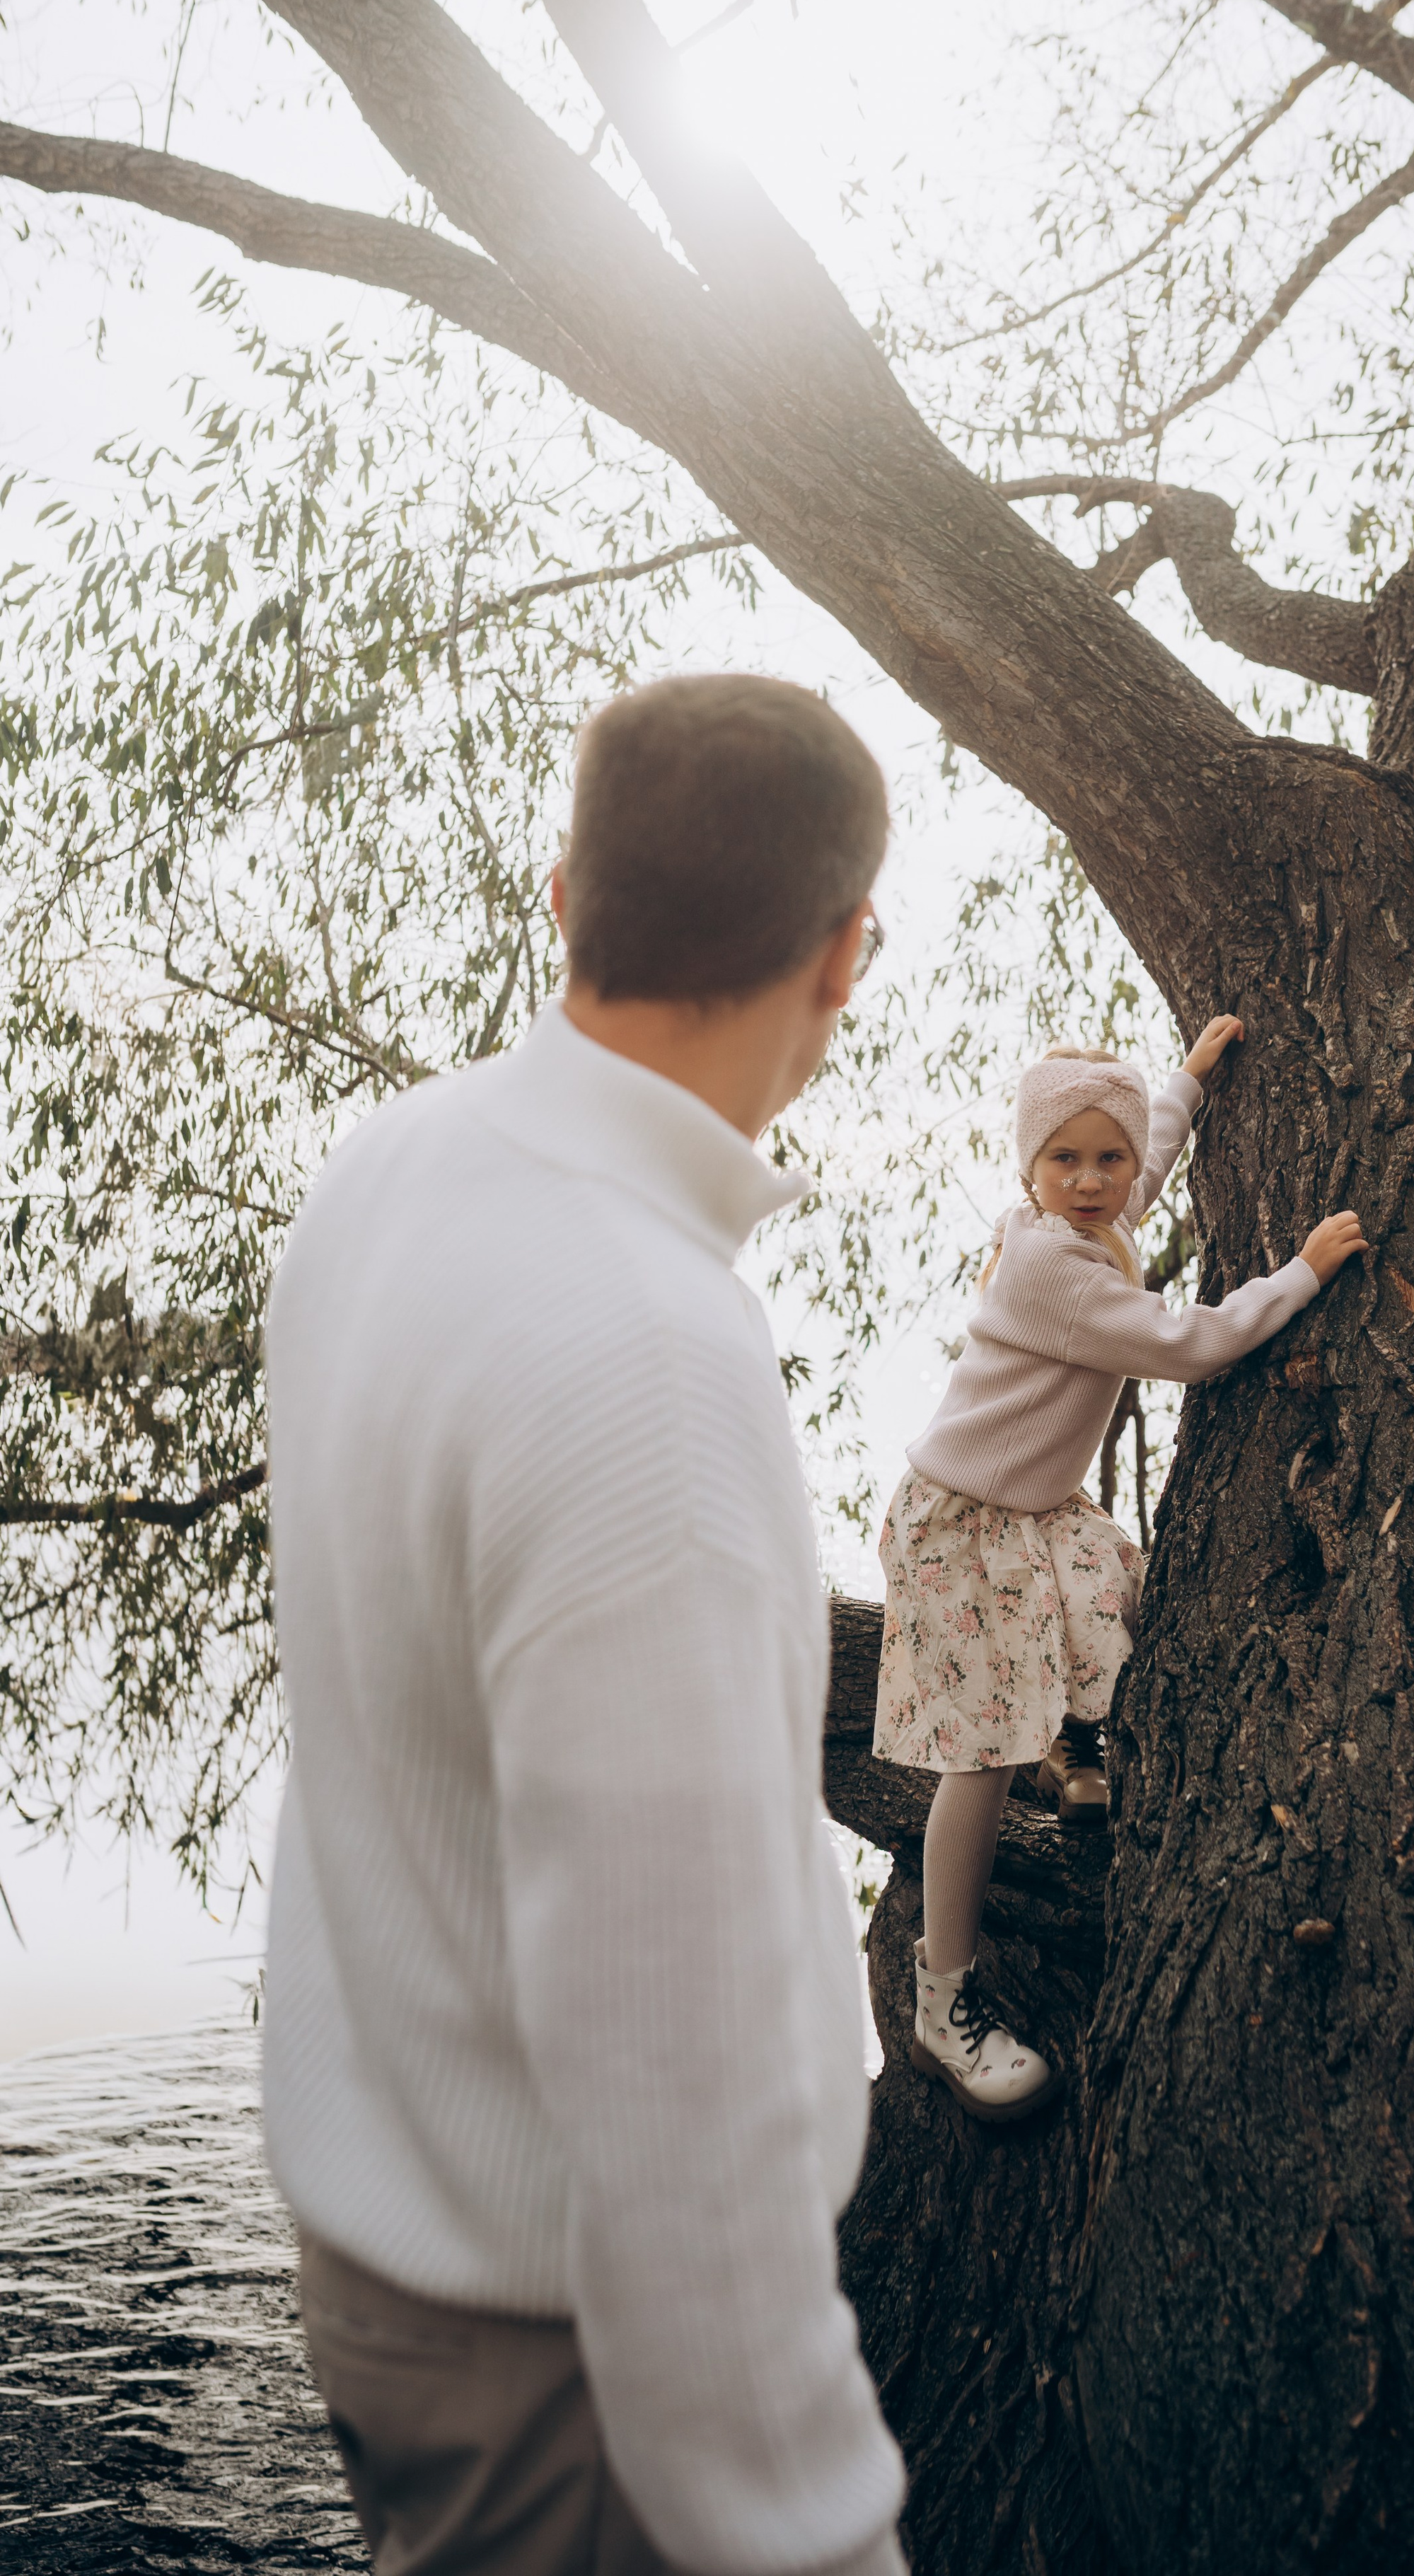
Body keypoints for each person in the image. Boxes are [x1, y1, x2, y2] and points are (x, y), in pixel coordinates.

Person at [261, 676, 907, 2576]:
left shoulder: (388, 1175)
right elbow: (677, 2087)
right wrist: (819, 2538)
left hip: (390, 2241)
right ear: (843, 954)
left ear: (567, 899)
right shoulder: (644, 1362)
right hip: (571, 2359)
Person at [873, 1029, 1367, 2121]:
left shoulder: (1085, 1217)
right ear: (1029, 1171)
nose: (1095, 1180)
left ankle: (1077, 1744)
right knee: (981, 1760)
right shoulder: (1050, 1266)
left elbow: (1147, 1150)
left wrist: (1186, 1079)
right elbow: (1192, 1345)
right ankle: (942, 1998)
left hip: (1031, 1510)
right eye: (1066, 1160)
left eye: (1110, 1160)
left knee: (1118, 1592)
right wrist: (1301, 1274)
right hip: (964, 1523)